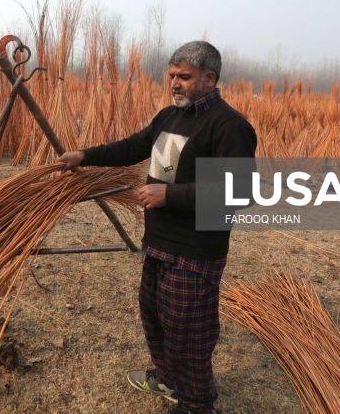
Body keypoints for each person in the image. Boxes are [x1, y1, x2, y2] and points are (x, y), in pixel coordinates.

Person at [58, 41, 257, 414]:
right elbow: (134, 146)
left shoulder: (229, 126)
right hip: (160, 242)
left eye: (185, 76)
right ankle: (167, 377)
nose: (175, 83)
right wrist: (86, 155)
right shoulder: (170, 117)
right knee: (155, 316)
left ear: (210, 79)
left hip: (195, 250)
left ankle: (197, 404)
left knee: (188, 333)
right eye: (172, 76)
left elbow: (240, 190)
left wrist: (170, 196)